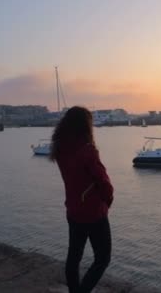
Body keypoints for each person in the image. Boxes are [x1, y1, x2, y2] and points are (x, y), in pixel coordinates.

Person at [50, 106, 114, 293]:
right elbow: (104, 183)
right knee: (103, 258)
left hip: (73, 210)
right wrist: (107, 200)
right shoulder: (87, 150)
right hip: (94, 212)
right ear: (85, 126)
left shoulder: (61, 149)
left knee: (74, 257)